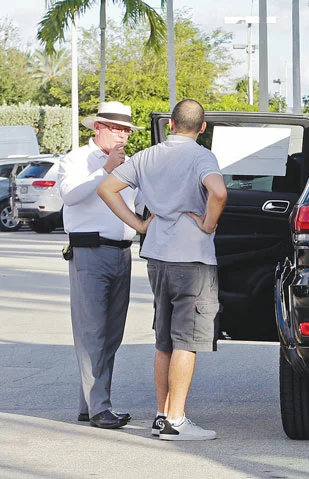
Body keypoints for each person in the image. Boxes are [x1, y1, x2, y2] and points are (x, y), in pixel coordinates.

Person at [98, 99, 227, 441]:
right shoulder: (202, 156)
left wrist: (140, 225)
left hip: (157, 256)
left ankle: (161, 415)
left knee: (164, 338)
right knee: (187, 339)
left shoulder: (146, 156)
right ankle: (176, 421)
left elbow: (106, 188)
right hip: (193, 258)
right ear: (202, 128)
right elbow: (218, 191)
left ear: (170, 124)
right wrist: (208, 223)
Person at [57, 101, 146, 429]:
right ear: (98, 128)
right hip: (89, 251)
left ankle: (90, 403)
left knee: (111, 334)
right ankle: (99, 408)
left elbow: (136, 202)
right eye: (116, 128)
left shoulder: (129, 163)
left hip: (121, 252)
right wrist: (106, 169)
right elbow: (70, 195)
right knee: (92, 331)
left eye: (126, 129)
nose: (123, 135)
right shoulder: (77, 159)